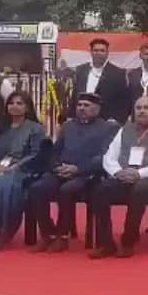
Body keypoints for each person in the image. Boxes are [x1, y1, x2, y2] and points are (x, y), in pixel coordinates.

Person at [89, 96, 148, 258]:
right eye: (138, 108)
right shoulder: (125, 129)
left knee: (139, 190)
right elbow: (109, 157)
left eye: (146, 108)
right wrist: (118, 172)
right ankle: (106, 243)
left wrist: (140, 173)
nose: (142, 111)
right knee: (100, 190)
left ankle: (128, 241)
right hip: (124, 176)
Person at [26, 93, 118, 252]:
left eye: (86, 105)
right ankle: (48, 234)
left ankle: (63, 236)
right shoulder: (68, 126)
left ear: (97, 109)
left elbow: (105, 156)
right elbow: (55, 152)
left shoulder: (107, 128)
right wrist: (57, 167)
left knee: (67, 190)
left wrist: (78, 169)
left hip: (88, 175)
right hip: (62, 172)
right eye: (79, 105)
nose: (81, 108)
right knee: (37, 189)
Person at [0, 91, 48, 251]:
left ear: (27, 107)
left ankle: (1, 231)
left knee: (4, 185)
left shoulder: (36, 128)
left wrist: (14, 167)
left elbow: (36, 154)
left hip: (23, 169)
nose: (15, 106)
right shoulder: (0, 129)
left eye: (19, 103)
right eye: (11, 103)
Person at [71, 38, 131, 124]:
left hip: (106, 122)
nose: (99, 53)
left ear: (107, 53)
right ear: (91, 52)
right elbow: (74, 96)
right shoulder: (81, 70)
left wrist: (117, 119)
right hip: (81, 121)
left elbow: (124, 101)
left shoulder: (118, 73)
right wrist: (71, 116)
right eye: (96, 50)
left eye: (102, 51)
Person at [126, 43, 148, 111]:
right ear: (141, 56)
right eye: (147, 54)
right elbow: (129, 97)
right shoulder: (132, 74)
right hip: (137, 113)